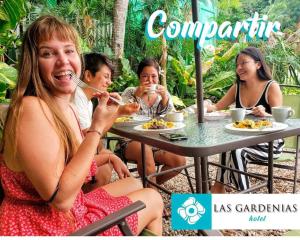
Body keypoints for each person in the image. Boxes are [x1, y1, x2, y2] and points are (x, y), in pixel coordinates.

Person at [0, 15, 163, 236]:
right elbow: (60, 198)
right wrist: (97, 128)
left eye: (69, 51)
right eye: (48, 53)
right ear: (33, 63)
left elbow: (64, 163)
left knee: (134, 184)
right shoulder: (32, 108)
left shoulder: (62, 106)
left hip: (61, 213)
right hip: (45, 225)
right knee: (153, 199)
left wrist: (106, 152)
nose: (63, 60)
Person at [206, 46, 284, 193]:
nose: (239, 68)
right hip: (244, 139)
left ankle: (239, 196)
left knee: (236, 151)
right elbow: (217, 107)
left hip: (270, 142)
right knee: (227, 145)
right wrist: (202, 106)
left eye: (243, 63)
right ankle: (220, 189)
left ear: (258, 64)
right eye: (237, 65)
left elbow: (280, 120)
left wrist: (266, 114)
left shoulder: (271, 87)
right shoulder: (237, 87)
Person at [118, 58, 186, 186]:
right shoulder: (130, 92)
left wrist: (165, 99)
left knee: (179, 161)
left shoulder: (163, 95)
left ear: (158, 78)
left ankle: (148, 186)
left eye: (154, 76)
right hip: (130, 142)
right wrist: (136, 98)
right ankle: (152, 192)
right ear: (139, 77)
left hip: (157, 143)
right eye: (145, 76)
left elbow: (173, 120)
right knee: (145, 150)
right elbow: (121, 117)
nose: (150, 81)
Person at [73, 52, 129, 190]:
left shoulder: (88, 101)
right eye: (106, 76)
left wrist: (112, 110)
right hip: (73, 158)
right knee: (105, 167)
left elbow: (95, 138)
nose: (109, 82)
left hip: (81, 152)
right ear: (88, 76)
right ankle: (83, 203)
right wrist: (117, 113)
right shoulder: (77, 96)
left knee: (108, 155)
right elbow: (89, 137)